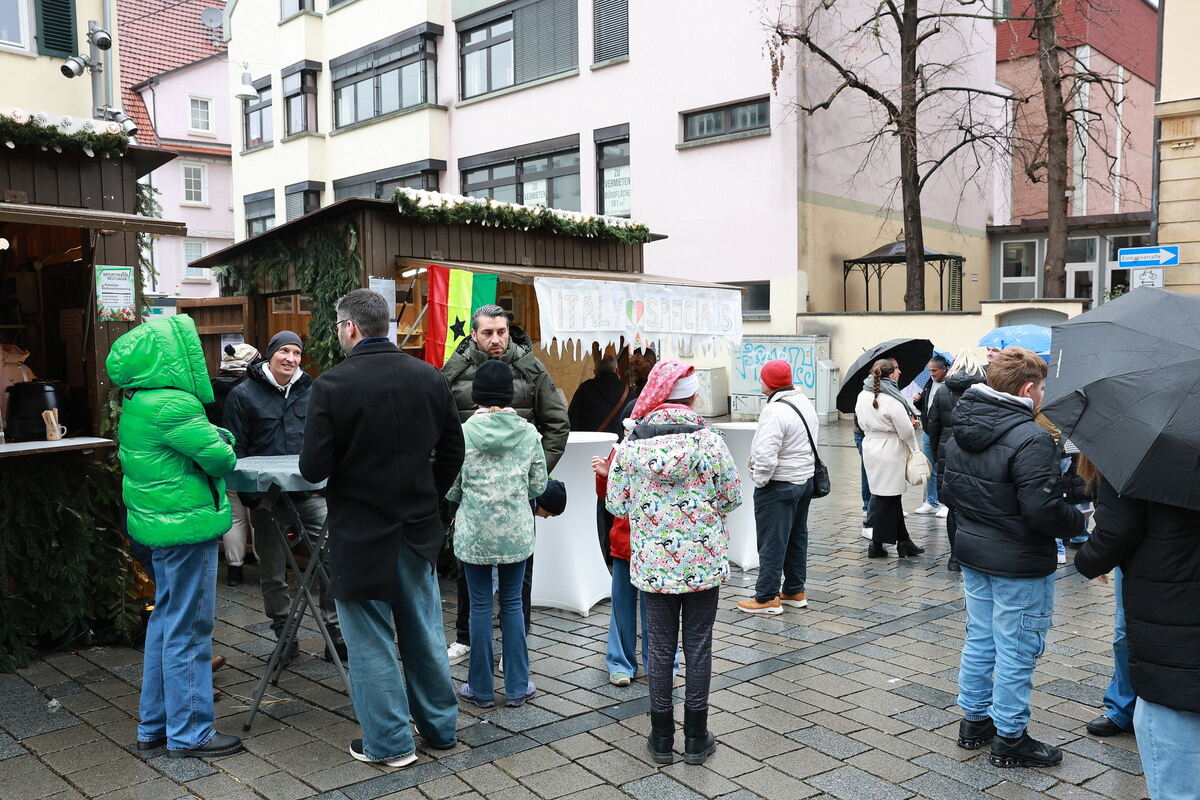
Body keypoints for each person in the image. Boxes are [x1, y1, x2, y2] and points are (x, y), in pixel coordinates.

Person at [299, 288, 465, 768]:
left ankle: (390, 744)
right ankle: (441, 729)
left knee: (369, 638)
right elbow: (454, 452)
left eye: (337, 326)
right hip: (416, 526)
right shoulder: (429, 377)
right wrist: (428, 496)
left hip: (359, 528)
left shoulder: (329, 386)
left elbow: (312, 468)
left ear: (350, 327)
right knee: (425, 632)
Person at [106, 314, 243, 758]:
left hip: (159, 526)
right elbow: (221, 460)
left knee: (166, 624)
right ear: (170, 356)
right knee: (189, 628)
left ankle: (155, 725)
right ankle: (191, 733)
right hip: (186, 528)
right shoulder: (173, 404)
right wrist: (223, 436)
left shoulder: (139, 400)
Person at [941, 347, 1083, 769]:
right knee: (1018, 647)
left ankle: (974, 722)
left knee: (982, 639)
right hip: (1017, 562)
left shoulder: (962, 424)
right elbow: (1042, 511)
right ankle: (1009, 736)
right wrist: (1076, 518)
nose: (1042, 394)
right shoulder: (1031, 436)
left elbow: (948, 492)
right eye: (1040, 387)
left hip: (974, 552)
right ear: (1027, 389)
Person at [607, 360, 742, 766]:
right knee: (699, 646)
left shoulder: (631, 446)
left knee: (660, 649)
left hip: (653, 566)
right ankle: (697, 738)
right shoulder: (711, 442)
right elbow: (732, 496)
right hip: (702, 562)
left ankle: (661, 737)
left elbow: (616, 503)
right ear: (693, 395)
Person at [442, 304, 569, 667]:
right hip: (471, 489)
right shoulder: (456, 369)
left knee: (520, 573)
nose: (496, 339)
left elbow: (557, 424)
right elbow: (439, 425)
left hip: (517, 491)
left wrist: (533, 473)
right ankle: (466, 638)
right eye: (487, 333)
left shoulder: (531, 368)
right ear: (475, 334)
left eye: (502, 331)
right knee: (468, 568)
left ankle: (515, 645)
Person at [1074, 459, 1200, 797]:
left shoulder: (1143, 455)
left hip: (1171, 615)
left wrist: (1088, 559)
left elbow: (1117, 529)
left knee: (1177, 775)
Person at [223, 331, 344, 662]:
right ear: (270, 354)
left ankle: (336, 634)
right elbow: (235, 452)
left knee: (332, 560)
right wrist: (252, 499)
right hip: (268, 498)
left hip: (312, 493)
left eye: (297, 352)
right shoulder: (243, 396)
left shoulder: (314, 391)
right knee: (272, 571)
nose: (291, 358)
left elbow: (329, 440)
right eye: (284, 351)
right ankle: (285, 636)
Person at [449, 360, 547, 709]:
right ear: (510, 395)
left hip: (474, 532)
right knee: (512, 605)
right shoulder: (529, 433)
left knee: (478, 606)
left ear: (476, 395)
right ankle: (518, 687)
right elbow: (538, 484)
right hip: (516, 533)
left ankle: (481, 689)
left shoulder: (462, 433)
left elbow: (453, 487)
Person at [737, 359, 817, 615]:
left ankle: (767, 597)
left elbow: (765, 455)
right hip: (803, 481)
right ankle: (794, 590)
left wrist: (760, 481)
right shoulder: (803, 402)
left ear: (768, 383)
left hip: (779, 484)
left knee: (772, 541)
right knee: (796, 537)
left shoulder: (774, 411)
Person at [925, 347, 988, 569]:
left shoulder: (942, 392)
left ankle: (955, 558)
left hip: (948, 455)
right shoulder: (986, 390)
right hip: (978, 456)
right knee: (976, 508)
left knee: (953, 507)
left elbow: (932, 428)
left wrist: (937, 456)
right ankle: (975, 555)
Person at [855, 359, 924, 558]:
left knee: (888, 497)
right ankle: (876, 545)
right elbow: (905, 431)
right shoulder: (892, 399)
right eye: (897, 369)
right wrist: (913, 425)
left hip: (871, 447)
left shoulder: (862, 395)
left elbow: (860, 422)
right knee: (888, 498)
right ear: (891, 374)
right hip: (890, 450)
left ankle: (904, 542)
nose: (900, 371)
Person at [207, 342, 259, 587]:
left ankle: (234, 571)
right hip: (254, 459)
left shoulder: (210, 387)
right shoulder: (253, 387)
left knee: (235, 515)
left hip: (225, 459)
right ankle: (265, 566)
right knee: (258, 515)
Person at [912, 355, 949, 515]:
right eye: (930, 371)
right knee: (929, 468)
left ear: (944, 369)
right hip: (928, 432)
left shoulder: (950, 385)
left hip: (943, 433)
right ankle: (931, 501)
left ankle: (945, 504)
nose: (932, 374)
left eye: (934, 371)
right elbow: (925, 407)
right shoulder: (929, 383)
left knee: (944, 468)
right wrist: (918, 401)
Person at [568, 353, 630, 436]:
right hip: (619, 445)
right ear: (617, 371)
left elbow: (572, 420)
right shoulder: (628, 391)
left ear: (595, 372)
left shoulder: (584, 389)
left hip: (591, 445)